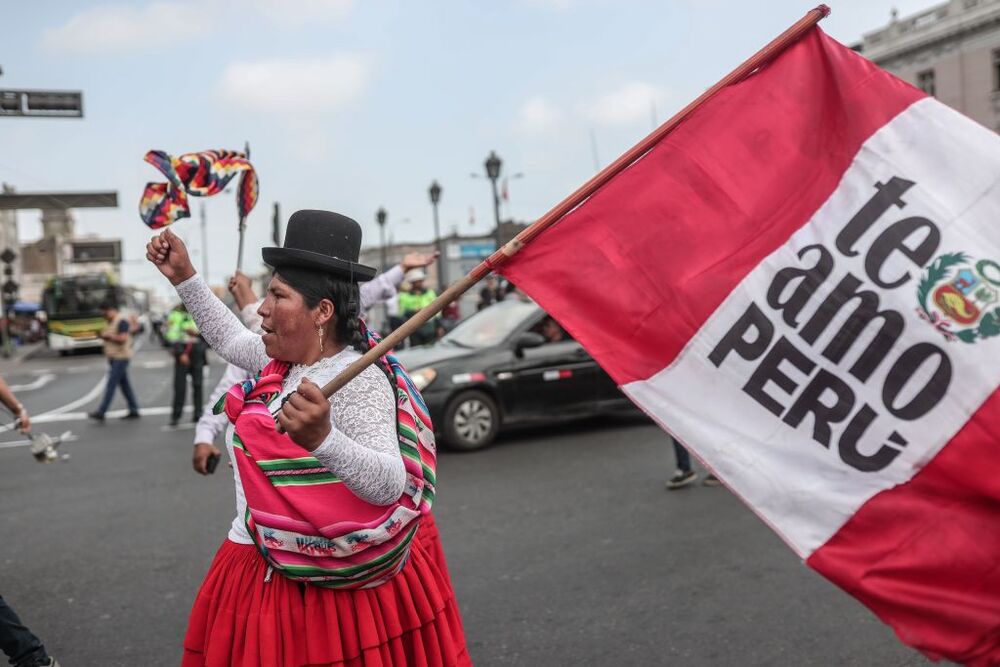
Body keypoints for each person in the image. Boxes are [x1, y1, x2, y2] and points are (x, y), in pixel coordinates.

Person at [148, 211, 469, 667]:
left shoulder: (356, 379)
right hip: (255, 556)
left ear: (321, 311)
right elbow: (231, 341)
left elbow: (388, 483)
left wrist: (323, 439)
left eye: (277, 295)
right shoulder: (285, 361)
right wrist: (185, 278)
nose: (260, 307)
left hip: (317, 589)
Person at [88, 301, 141, 422]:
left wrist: (107, 336)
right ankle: (134, 409)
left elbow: (123, 339)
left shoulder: (121, 321)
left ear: (112, 310)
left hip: (121, 357)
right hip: (113, 357)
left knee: (111, 383)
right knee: (125, 385)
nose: (104, 315)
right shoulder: (110, 321)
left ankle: (102, 411)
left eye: (105, 312)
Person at [166, 303, 205, 427]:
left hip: (197, 351)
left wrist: (196, 334)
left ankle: (198, 415)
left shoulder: (200, 314)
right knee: (180, 386)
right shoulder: (175, 315)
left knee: (198, 385)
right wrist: (179, 353)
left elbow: (209, 336)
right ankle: (176, 416)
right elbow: (171, 336)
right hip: (182, 351)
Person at [398, 268, 437, 346]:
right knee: (416, 350)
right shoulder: (404, 296)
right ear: (412, 282)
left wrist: (438, 326)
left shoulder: (430, 293)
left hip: (429, 326)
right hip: (414, 328)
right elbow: (401, 313)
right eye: (417, 281)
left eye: (421, 280)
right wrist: (414, 311)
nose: (420, 283)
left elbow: (437, 311)